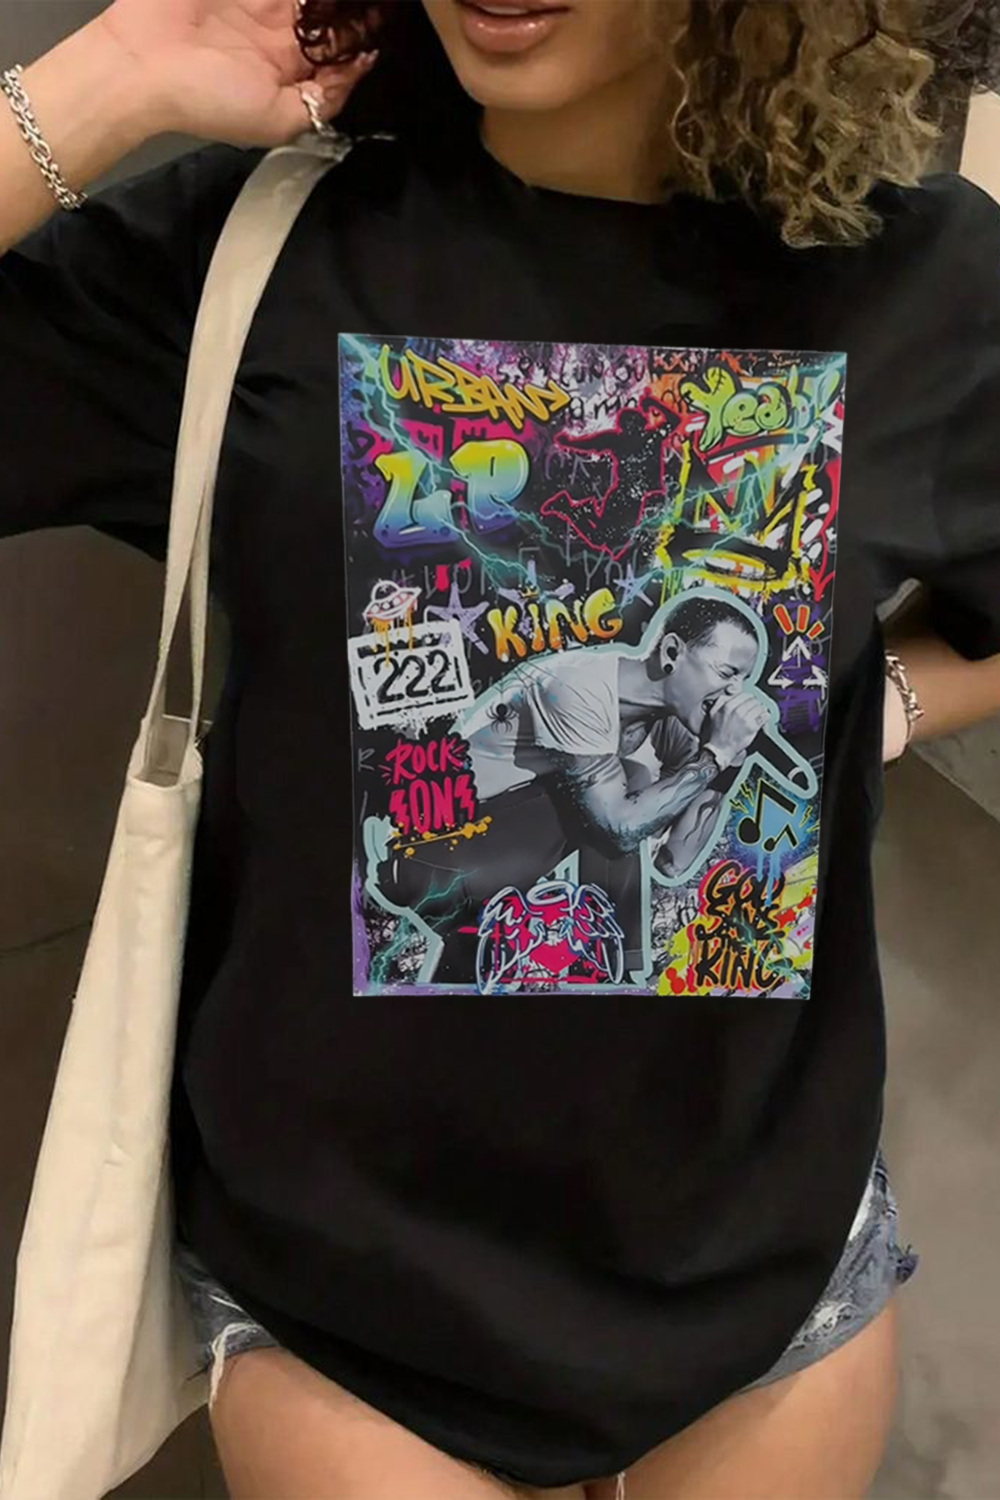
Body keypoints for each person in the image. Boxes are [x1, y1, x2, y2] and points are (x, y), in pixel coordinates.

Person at [2, 2, 1000, 1497]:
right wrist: (104, 83)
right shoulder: (259, 253)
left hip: (760, 1274)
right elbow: (615, 820)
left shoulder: (923, 281)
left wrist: (883, 708)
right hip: (351, 1297)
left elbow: (685, 837)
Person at [378, 591, 792, 984]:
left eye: (743, 679)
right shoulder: (576, 686)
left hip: (497, 869)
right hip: (429, 857)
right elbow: (618, 828)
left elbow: (674, 860)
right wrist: (714, 754)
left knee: (629, 792)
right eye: (726, 673)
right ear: (671, 653)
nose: (736, 692)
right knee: (624, 789)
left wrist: (727, 764)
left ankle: (593, 972)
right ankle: (614, 975)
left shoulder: (675, 724)